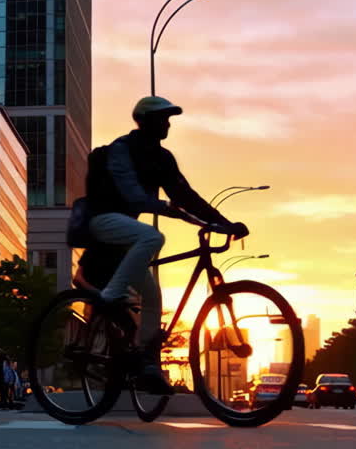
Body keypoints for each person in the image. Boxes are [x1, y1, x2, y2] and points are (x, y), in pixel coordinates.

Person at [81, 96, 249, 394]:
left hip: (125, 233)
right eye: (162, 119)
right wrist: (164, 207)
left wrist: (223, 223)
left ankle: (145, 361)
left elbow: (185, 195)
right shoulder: (121, 150)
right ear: (144, 121)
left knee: (153, 297)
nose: (167, 124)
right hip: (102, 221)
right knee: (152, 236)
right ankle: (111, 295)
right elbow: (132, 194)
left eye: (168, 119)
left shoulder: (162, 158)